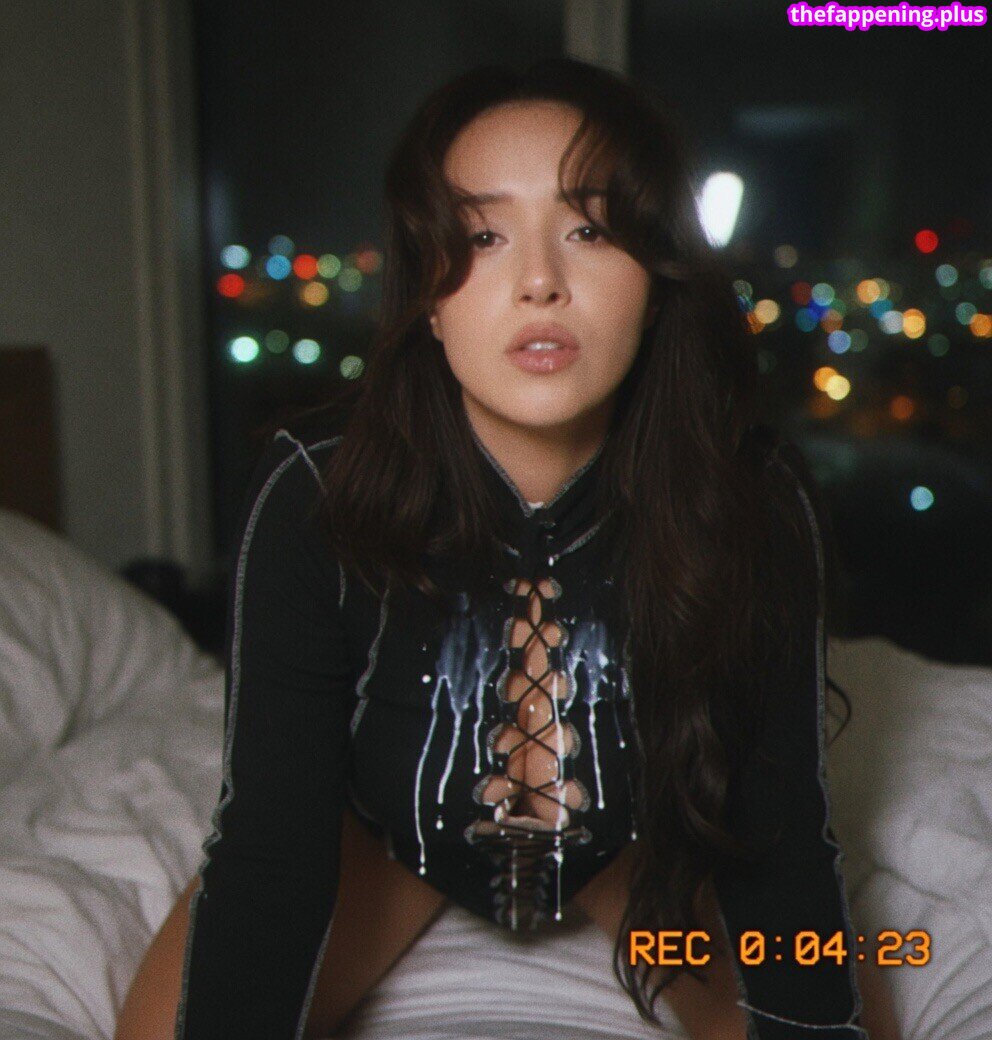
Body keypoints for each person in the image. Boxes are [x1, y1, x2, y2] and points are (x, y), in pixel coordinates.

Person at [115, 57, 902, 1040]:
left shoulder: (751, 495)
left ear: (655, 280)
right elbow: (269, 837)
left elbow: (780, 833)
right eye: (482, 236)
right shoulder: (315, 491)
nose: (539, 282)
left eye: (590, 229)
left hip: (640, 850)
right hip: (389, 850)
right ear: (427, 292)